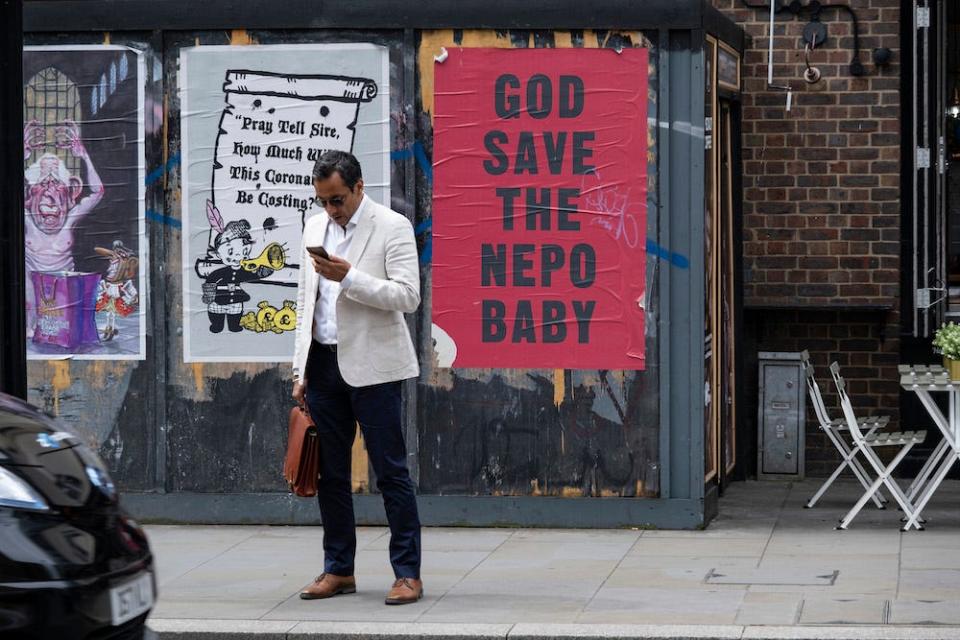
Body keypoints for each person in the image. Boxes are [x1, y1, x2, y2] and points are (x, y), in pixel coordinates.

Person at [291, 150, 423, 605]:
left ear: (359, 187)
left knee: (391, 474)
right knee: (330, 474)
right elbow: (306, 301)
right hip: (323, 366)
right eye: (324, 200)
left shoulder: (392, 227)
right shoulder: (313, 227)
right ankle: (338, 570)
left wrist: (350, 278)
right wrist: (300, 368)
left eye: (338, 199)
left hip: (375, 368)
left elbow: (408, 297)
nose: (331, 209)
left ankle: (407, 573)